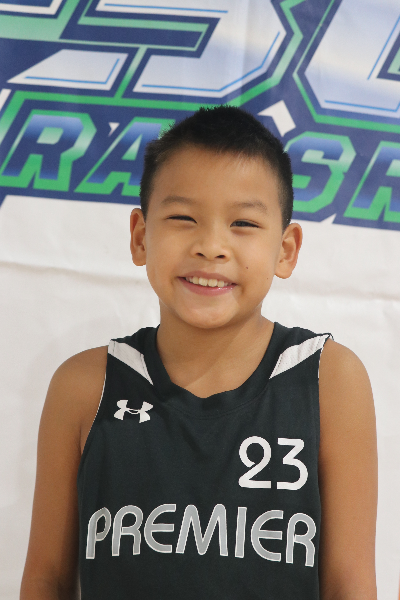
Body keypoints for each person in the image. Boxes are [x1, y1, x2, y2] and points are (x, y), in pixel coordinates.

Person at [20, 106, 377, 600]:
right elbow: (47, 579)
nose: (211, 246)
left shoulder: (328, 379)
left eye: (243, 223)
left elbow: (350, 584)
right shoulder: (85, 385)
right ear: (141, 236)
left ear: (286, 249)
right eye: (183, 218)